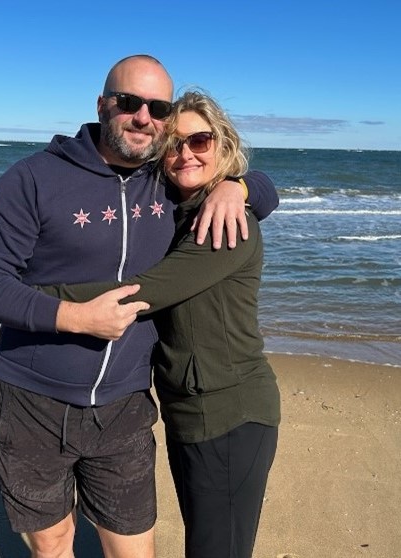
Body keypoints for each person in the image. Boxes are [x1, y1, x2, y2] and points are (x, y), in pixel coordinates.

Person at [0, 55, 278, 558]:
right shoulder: (36, 178)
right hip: (30, 398)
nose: (143, 117)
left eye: (158, 108)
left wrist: (240, 187)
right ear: (103, 103)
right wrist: (73, 317)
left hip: (126, 404)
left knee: (134, 550)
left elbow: (247, 180)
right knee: (53, 544)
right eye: (129, 103)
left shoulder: (169, 181)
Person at [36, 90, 281, 558]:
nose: (185, 153)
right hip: (187, 408)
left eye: (201, 141)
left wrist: (35, 297)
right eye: (173, 144)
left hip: (230, 412)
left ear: (223, 144)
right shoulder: (178, 208)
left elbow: (143, 292)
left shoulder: (228, 225)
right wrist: (244, 184)